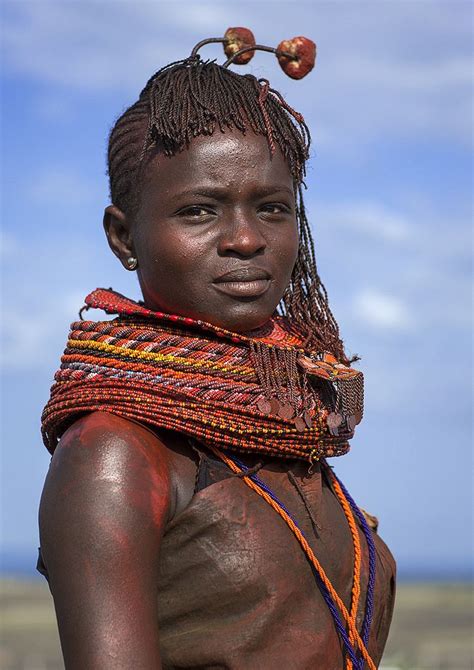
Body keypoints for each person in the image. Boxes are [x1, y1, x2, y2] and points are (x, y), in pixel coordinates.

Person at [38, 28, 395, 670]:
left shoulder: (291, 434)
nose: (245, 240)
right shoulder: (117, 454)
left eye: (273, 208)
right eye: (200, 211)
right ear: (123, 237)